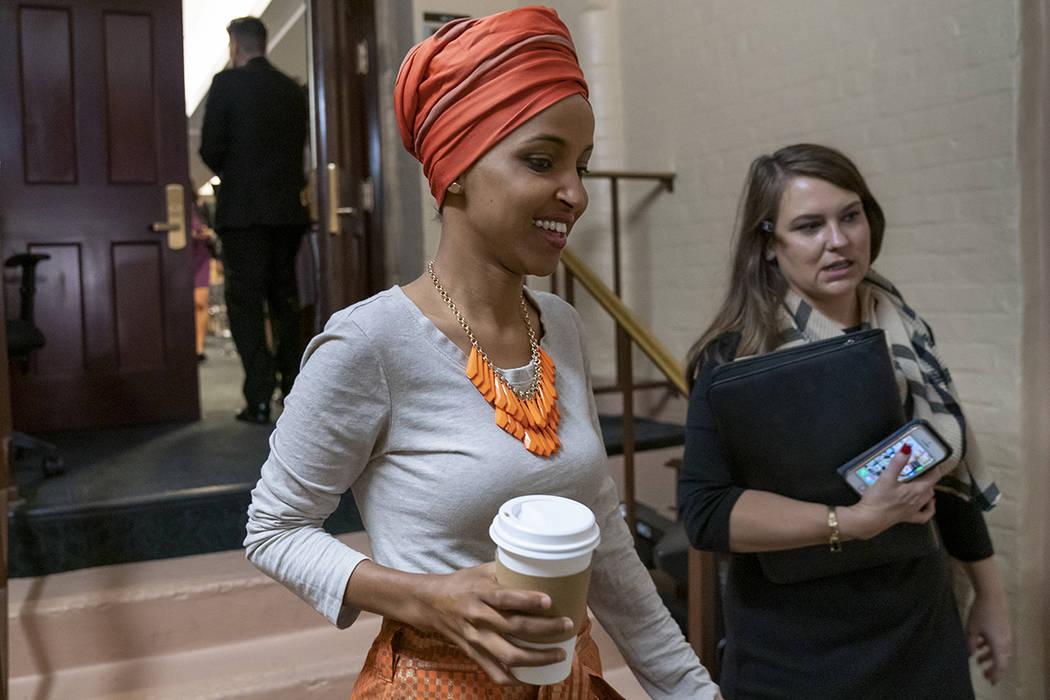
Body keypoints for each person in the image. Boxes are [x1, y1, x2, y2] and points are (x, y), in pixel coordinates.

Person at [244, 7, 721, 699]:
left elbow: (605, 539)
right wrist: (424, 597)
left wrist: (691, 690)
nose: (577, 194)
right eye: (541, 159)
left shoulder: (558, 324)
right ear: (456, 169)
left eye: (581, 166)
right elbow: (273, 529)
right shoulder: (369, 344)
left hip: (565, 682)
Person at [678, 143, 1013, 699]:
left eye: (850, 216)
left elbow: (944, 472)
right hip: (797, 650)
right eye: (809, 226)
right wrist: (852, 521)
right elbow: (707, 512)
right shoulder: (733, 359)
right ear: (767, 243)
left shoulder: (903, 327)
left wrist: (991, 597)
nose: (839, 241)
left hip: (919, 628)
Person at [199, 15, 309, 424]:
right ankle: (294, 388)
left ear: (235, 47)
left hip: (243, 212)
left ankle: (259, 397)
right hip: (286, 212)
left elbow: (210, 149)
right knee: (285, 300)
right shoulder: (293, 90)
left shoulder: (226, 84)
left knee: (245, 304)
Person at [190, 193, 217, 362]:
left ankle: (198, 348)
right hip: (179, 256)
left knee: (200, 303)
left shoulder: (200, 207)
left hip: (200, 257)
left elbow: (212, 230)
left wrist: (206, 233)